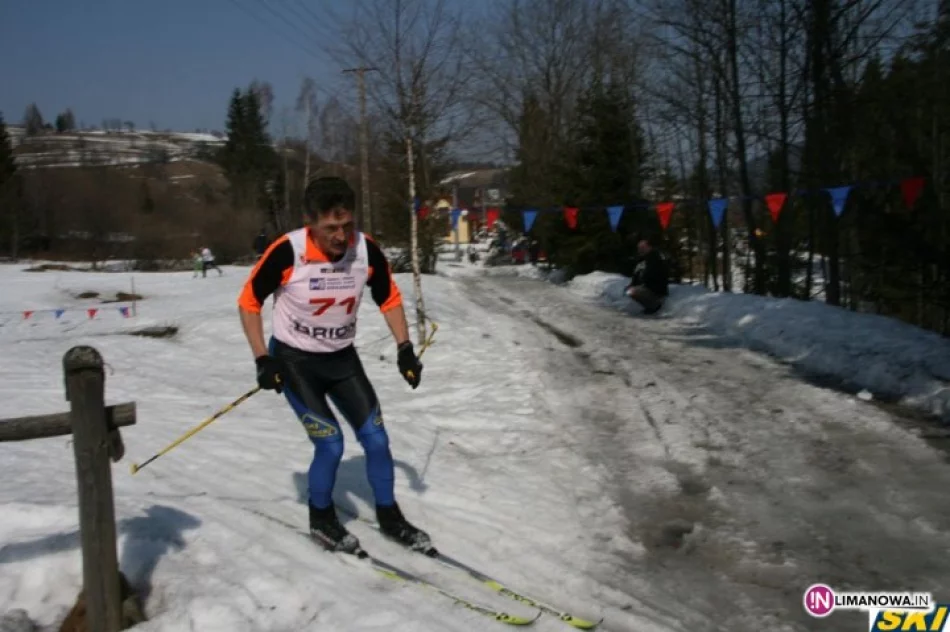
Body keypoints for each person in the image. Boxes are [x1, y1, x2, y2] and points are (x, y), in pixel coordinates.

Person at [237, 176, 429, 556]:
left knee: (377, 439)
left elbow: (387, 296)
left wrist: (405, 347)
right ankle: (321, 516)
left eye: (347, 226)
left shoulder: (365, 250)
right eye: (331, 229)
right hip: (295, 362)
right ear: (311, 223)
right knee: (331, 444)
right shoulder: (287, 251)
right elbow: (248, 302)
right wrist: (263, 357)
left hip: (342, 359)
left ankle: (390, 516)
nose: (341, 236)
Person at [625, 236, 669, 315]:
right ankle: (649, 306)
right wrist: (632, 284)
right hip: (647, 288)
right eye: (639, 248)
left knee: (633, 291)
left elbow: (652, 275)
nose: (640, 250)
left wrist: (641, 284)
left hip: (656, 290)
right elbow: (636, 275)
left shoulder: (655, 258)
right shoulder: (642, 260)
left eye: (643, 247)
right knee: (630, 290)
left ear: (649, 247)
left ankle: (655, 306)